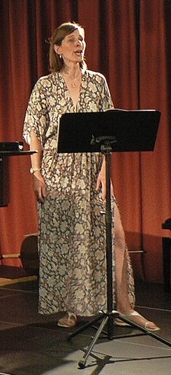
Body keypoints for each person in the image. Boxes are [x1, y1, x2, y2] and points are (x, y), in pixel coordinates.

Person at [22, 22, 159, 331]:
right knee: (66, 240)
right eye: (71, 40)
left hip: (93, 169)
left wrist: (105, 171)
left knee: (116, 235)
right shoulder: (44, 86)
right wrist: (36, 172)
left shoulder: (98, 82)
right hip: (57, 171)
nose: (78, 44)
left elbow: (111, 126)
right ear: (58, 48)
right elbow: (34, 130)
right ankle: (70, 308)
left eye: (81, 39)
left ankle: (124, 308)